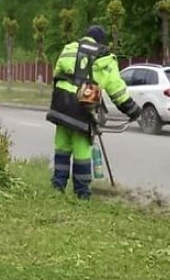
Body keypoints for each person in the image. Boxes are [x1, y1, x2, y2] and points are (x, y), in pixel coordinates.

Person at [45, 25, 140, 199]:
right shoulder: (105, 57)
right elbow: (117, 90)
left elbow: (57, 73)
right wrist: (133, 110)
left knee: (62, 147)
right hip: (82, 108)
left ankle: (58, 186)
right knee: (82, 152)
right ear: (101, 42)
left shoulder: (69, 48)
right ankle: (82, 192)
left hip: (60, 105)